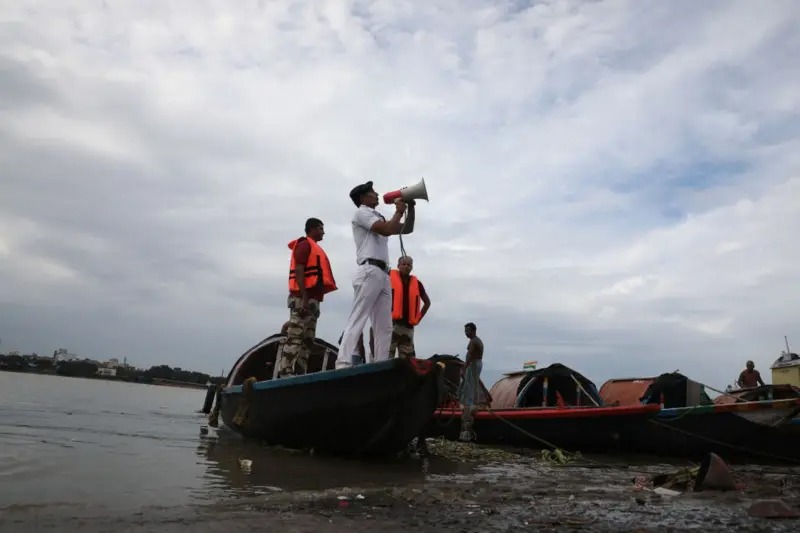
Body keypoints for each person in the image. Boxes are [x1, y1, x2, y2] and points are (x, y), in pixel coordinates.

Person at [336, 181, 415, 368]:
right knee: (359, 317)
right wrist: (397, 211)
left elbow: (408, 228)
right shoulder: (361, 213)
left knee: (385, 326)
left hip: (382, 273)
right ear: (363, 198)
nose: (377, 194)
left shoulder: (375, 216)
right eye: (372, 192)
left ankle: (380, 364)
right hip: (369, 270)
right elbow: (387, 230)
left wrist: (410, 208)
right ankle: (343, 361)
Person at [278, 218, 337, 377]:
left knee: (308, 339)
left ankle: (300, 371)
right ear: (312, 229)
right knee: (296, 335)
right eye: (320, 228)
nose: (323, 232)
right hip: (302, 298)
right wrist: (304, 297)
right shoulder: (304, 245)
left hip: (313, 301)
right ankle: (285, 370)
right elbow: (299, 269)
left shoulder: (315, 248)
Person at [389, 256, 431, 359]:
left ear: (412, 267)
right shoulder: (388, 278)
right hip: (390, 325)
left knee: (408, 362)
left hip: (408, 328)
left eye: (409, 265)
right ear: (398, 266)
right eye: (403, 264)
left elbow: (427, 303)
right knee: (386, 357)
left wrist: (418, 318)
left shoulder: (417, 283)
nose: (406, 267)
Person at [458, 322, 485, 406]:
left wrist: (464, 369)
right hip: (475, 363)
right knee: (472, 384)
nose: (466, 333)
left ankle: (470, 405)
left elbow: (469, 355)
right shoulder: (476, 340)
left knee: (470, 385)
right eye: (465, 331)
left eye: (468, 331)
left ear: (473, 331)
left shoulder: (474, 341)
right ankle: (471, 403)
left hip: (473, 364)